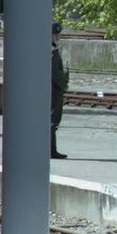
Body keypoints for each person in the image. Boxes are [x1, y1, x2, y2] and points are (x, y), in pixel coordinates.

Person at [51, 22, 69, 159]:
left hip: (53, 89)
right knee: (52, 120)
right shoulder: (51, 51)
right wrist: (63, 82)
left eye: (58, 34)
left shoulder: (52, 49)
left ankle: (51, 149)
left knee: (52, 121)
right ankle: (51, 150)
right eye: (55, 34)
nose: (57, 36)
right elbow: (54, 73)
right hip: (54, 89)